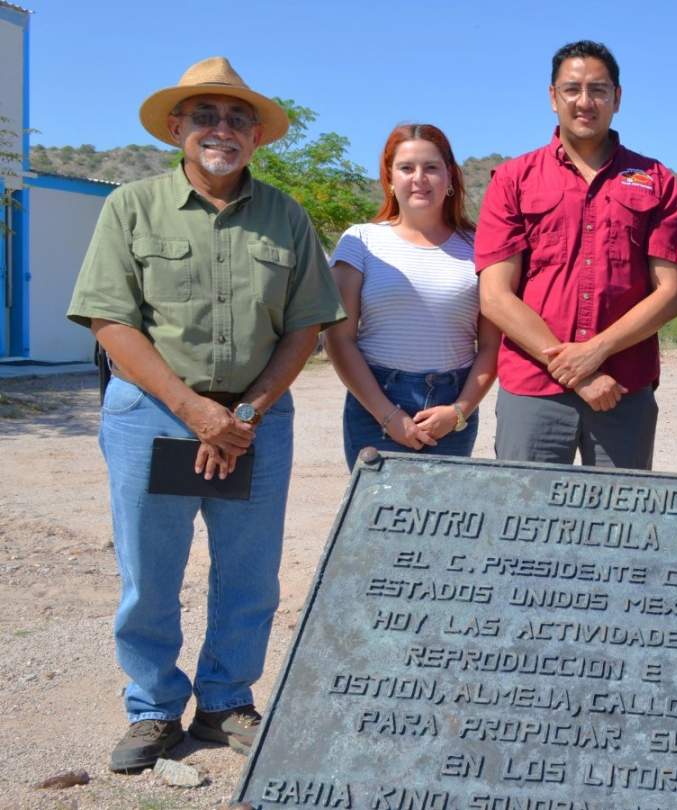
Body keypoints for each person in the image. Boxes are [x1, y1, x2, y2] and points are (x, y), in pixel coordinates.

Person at [66, 57, 347, 771]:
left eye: (236, 117)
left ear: (256, 135)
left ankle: (226, 701)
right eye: (205, 116)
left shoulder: (286, 216)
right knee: (150, 573)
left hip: (256, 421)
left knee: (249, 571)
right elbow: (110, 321)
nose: (221, 129)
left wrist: (243, 414)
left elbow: (304, 327)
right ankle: (154, 708)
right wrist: (195, 411)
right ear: (176, 128)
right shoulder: (130, 207)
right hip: (154, 416)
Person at [474, 40, 677, 469]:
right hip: (533, 388)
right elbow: (495, 296)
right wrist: (579, 370)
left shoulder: (655, 179)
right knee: (524, 524)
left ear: (618, 98)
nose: (585, 101)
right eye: (572, 89)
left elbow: (671, 293)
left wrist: (597, 351)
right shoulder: (514, 179)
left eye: (599, 90)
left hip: (622, 389)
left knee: (618, 529)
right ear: (553, 98)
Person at [327, 124, 499, 469]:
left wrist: (459, 411)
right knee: (375, 520)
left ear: (450, 179)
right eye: (406, 168)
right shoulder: (359, 242)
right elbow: (338, 339)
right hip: (375, 405)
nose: (419, 178)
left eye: (431, 167)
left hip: (452, 410)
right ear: (389, 179)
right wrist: (388, 416)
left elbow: (492, 347)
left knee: (441, 520)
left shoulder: (481, 246)